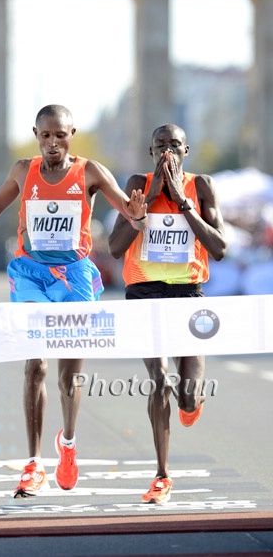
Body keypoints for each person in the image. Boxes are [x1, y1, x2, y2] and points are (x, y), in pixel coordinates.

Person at [0, 104, 146, 498]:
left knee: (68, 373)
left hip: (74, 276)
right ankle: (34, 464)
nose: (53, 143)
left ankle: (67, 445)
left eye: (60, 135)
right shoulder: (24, 171)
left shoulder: (90, 171)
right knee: (35, 363)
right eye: (45, 136)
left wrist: (137, 216)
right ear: (35, 134)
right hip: (31, 273)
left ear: (72, 133)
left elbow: (129, 210)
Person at [108, 123, 227, 504]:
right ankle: (161, 475)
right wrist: (144, 208)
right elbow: (114, 248)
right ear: (150, 151)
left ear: (186, 150)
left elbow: (220, 247)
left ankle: (191, 403)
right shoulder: (136, 185)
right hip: (144, 293)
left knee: (188, 396)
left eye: (174, 146)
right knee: (158, 378)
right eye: (160, 145)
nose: (167, 153)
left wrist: (182, 201)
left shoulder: (202, 186)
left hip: (189, 295)